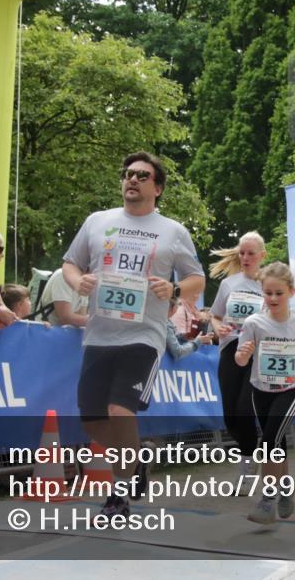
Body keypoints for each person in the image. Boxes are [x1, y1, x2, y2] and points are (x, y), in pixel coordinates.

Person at [62, 151, 205, 518]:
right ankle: (138, 457)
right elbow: (70, 264)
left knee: (119, 410)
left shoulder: (173, 231)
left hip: (145, 334)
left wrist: (173, 291)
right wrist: (80, 281)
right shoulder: (98, 221)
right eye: (128, 174)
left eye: (142, 176)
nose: (132, 180)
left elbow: (197, 279)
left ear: (157, 188)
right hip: (98, 334)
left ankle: (118, 493)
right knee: (92, 420)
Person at [235, 262, 295, 524]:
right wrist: (244, 354)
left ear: (291, 292)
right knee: (276, 443)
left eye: (278, 293)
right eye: (268, 293)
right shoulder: (254, 323)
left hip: (291, 388)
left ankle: (267, 499)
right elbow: (240, 360)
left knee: (269, 442)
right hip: (261, 389)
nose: (272, 298)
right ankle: (285, 489)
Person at [209, 231, 267, 481]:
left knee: (245, 409)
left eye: (250, 253)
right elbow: (215, 315)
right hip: (230, 348)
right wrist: (217, 327)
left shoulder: (269, 284)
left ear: (262, 256)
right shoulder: (228, 284)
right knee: (230, 414)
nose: (244, 257)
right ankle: (251, 449)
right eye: (241, 252)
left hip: (257, 351)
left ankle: (246, 468)